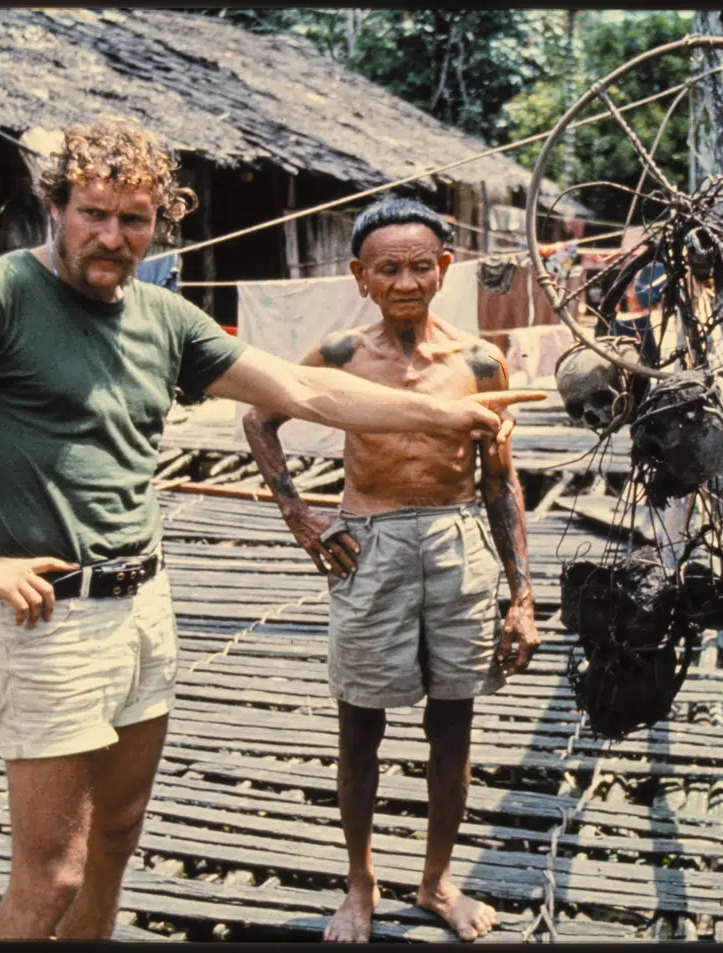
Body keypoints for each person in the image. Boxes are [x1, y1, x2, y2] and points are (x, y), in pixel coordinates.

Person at [0, 120, 544, 941]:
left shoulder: (163, 316)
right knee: (52, 873)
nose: (113, 237)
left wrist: (444, 414)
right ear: (55, 206)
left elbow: (301, 392)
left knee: (116, 836)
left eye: (134, 220)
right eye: (94, 214)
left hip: (145, 603)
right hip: (51, 614)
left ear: (158, 225)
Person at [242, 197, 541, 943]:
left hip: (458, 546)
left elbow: (500, 480)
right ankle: (360, 881)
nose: (405, 282)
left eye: (419, 266)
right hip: (369, 547)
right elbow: (258, 416)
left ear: (444, 269)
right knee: (359, 727)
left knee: (453, 725)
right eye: (387, 269)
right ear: (361, 276)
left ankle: (437, 879)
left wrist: (523, 596)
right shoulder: (340, 355)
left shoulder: (478, 361)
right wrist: (299, 515)